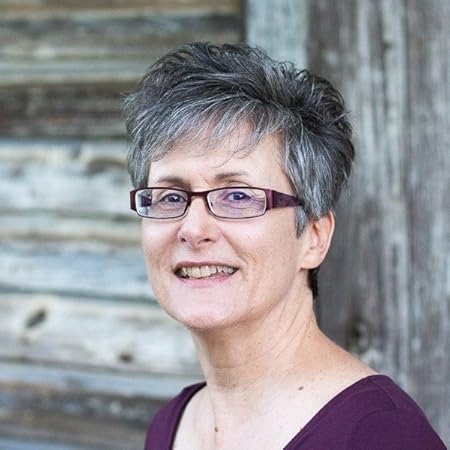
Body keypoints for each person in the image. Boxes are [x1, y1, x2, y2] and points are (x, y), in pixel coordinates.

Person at [123, 43, 445, 450]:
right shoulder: (171, 427)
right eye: (170, 197)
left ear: (314, 236)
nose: (193, 228)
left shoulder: (382, 437)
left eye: (238, 196)